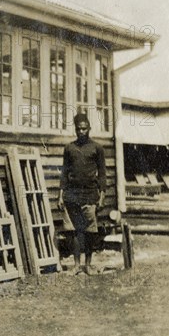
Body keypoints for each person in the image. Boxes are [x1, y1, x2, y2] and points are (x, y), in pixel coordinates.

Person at [57, 113, 106, 275]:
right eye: (79, 129)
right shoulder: (69, 148)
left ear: (89, 129)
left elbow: (102, 173)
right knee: (75, 231)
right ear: (76, 130)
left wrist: (102, 195)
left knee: (90, 231)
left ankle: (88, 265)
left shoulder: (97, 148)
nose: (82, 131)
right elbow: (64, 173)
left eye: (85, 128)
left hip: (90, 195)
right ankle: (77, 265)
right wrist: (60, 195)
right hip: (72, 196)